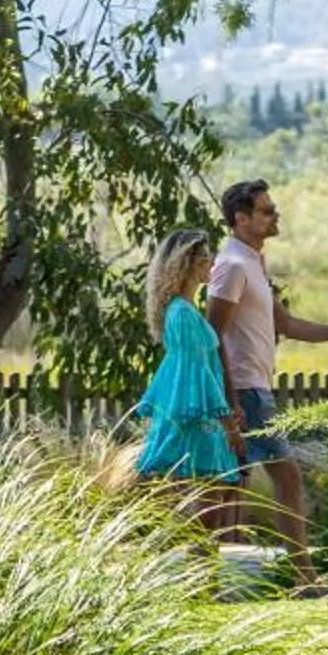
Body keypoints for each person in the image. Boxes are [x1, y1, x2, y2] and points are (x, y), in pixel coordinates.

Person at [206, 178, 328, 587]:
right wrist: (229, 401)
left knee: (227, 485)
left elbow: (286, 324)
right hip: (245, 391)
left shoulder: (251, 262)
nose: (275, 215)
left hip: (254, 389)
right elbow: (212, 339)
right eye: (266, 211)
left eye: (273, 208)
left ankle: (213, 579)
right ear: (241, 218)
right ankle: (305, 579)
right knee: (284, 477)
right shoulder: (230, 266)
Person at [133, 229, 247, 538]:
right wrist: (230, 425)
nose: (212, 264)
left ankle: (201, 580)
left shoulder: (185, 311)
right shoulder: (182, 314)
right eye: (206, 258)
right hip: (195, 421)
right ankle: (198, 581)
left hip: (199, 418)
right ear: (187, 264)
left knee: (205, 512)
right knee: (202, 516)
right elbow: (199, 376)